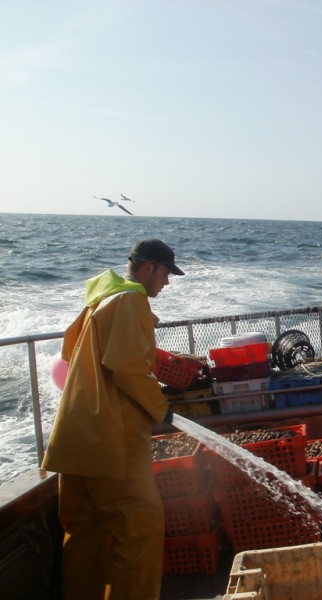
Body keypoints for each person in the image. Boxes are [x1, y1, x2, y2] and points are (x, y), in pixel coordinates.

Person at [41, 239, 184, 600]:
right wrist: (160, 408)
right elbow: (126, 366)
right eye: (166, 273)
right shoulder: (130, 299)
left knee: (85, 534)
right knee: (141, 528)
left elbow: (69, 351)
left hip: (75, 439)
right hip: (109, 441)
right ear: (148, 267)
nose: (166, 282)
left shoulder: (99, 301)